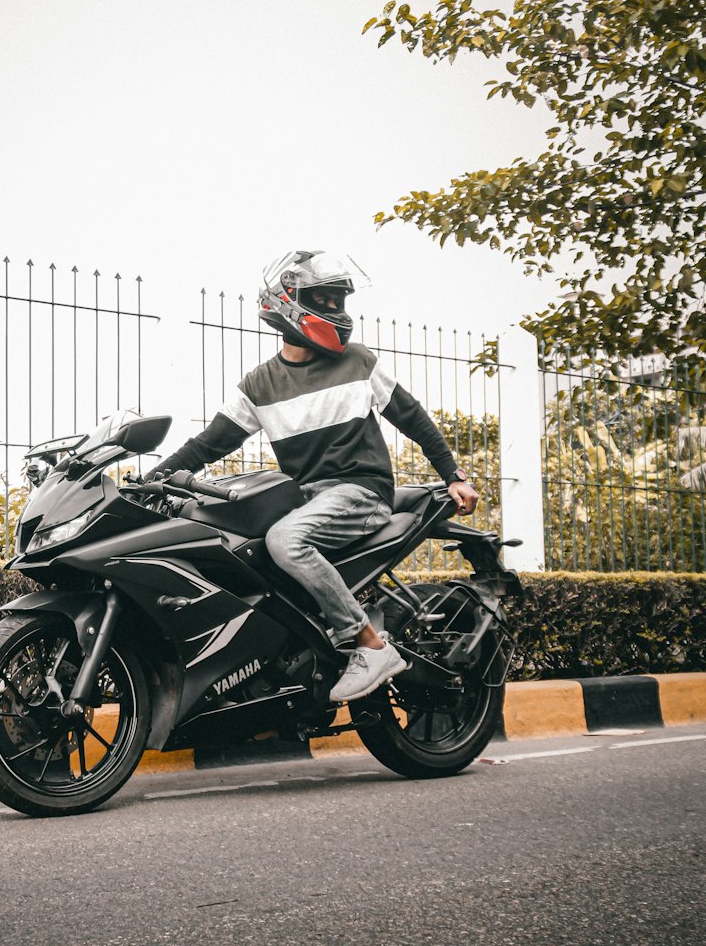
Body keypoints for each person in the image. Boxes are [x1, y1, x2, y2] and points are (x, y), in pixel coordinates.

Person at [148, 250, 479, 703]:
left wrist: (453, 475)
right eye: (323, 300)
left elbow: (411, 416)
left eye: (338, 301)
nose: (335, 312)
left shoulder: (357, 362)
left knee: (285, 541)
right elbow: (209, 444)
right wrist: (150, 480)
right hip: (307, 499)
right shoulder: (260, 385)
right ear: (286, 303)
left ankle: (369, 646)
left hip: (361, 491)